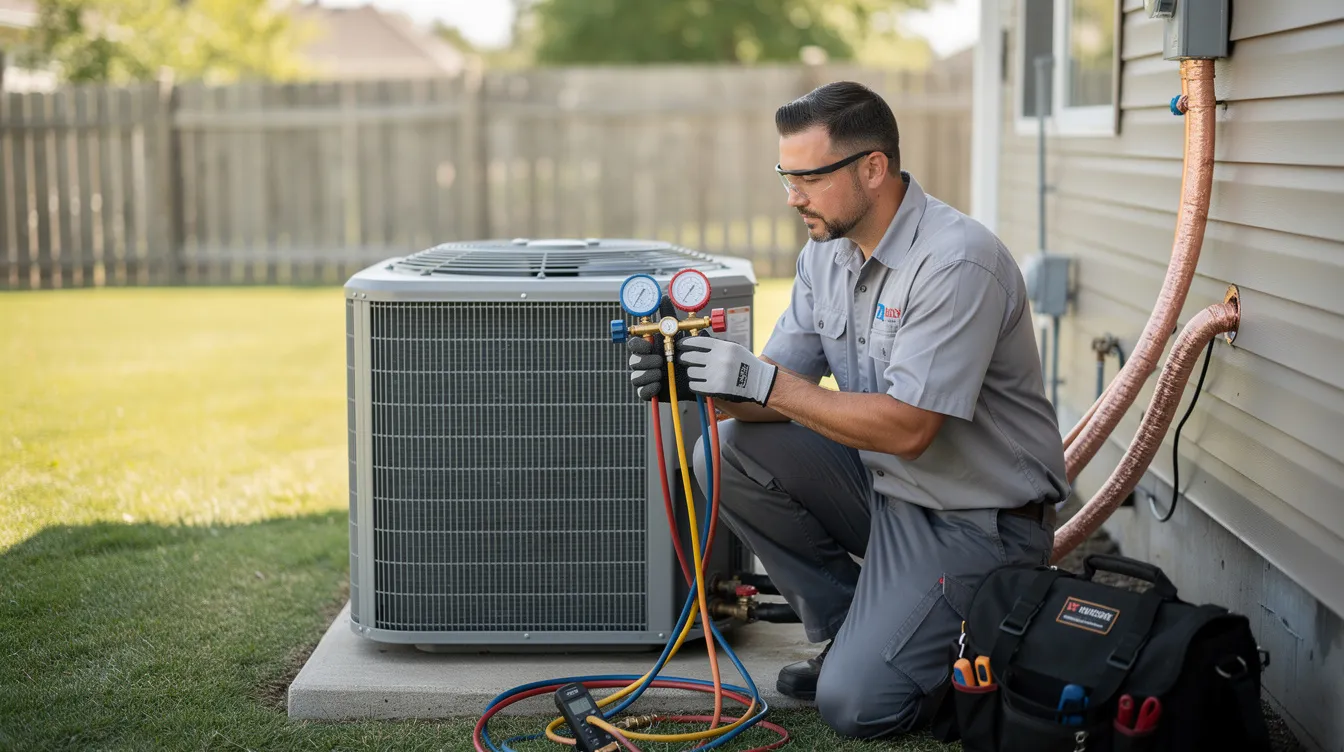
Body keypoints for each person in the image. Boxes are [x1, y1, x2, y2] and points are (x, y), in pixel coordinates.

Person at [626, 81, 1069, 739]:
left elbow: (909, 429)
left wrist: (762, 384)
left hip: (974, 520)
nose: (792, 195)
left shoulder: (956, 261)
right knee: (724, 451)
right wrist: (691, 382)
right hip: (881, 491)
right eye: (786, 174)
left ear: (872, 168)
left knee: (857, 708)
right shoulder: (824, 257)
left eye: (809, 177)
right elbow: (769, 397)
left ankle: (949, 648)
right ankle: (850, 630)